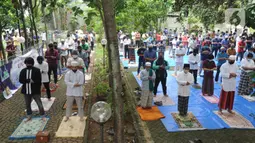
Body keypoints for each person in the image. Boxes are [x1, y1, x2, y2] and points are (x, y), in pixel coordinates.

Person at [19, 57, 46, 122]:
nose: (28, 65)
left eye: (30, 63)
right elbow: (20, 80)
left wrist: (33, 81)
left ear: (32, 63)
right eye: (27, 63)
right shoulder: (23, 71)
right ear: (25, 63)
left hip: (35, 90)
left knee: (39, 104)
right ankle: (29, 116)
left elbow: (39, 81)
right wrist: (27, 81)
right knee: (27, 104)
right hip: (26, 91)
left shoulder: (36, 70)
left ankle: (42, 115)